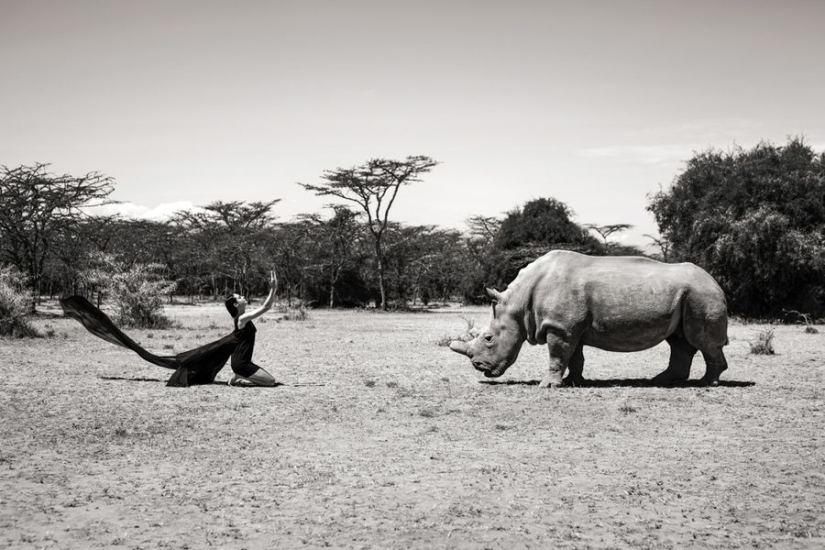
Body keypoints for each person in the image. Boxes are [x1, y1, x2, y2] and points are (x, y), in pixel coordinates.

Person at [224, 270, 278, 386]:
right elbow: (266, 307)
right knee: (270, 382)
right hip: (241, 364)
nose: (243, 297)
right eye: (239, 297)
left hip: (243, 362)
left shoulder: (242, 318)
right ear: (236, 304)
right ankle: (240, 377)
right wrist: (273, 288)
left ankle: (240, 376)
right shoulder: (242, 319)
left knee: (270, 381)